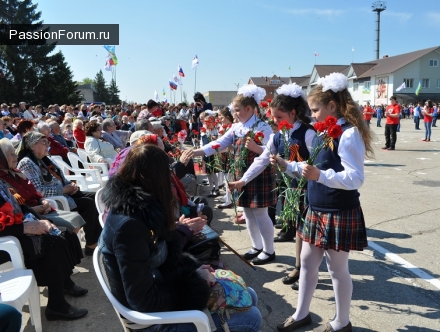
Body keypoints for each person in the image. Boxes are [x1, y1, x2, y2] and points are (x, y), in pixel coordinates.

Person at [99, 144, 262, 332]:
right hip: (150, 320)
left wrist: (194, 270)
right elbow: (142, 300)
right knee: (252, 317)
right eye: (167, 172)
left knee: (248, 294)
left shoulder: (138, 210)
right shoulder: (130, 226)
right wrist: (196, 283)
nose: (171, 179)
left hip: (159, 291)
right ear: (157, 178)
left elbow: (156, 257)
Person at [271, 72, 372, 332]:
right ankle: (301, 313)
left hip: (338, 209)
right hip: (316, 207)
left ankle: (342, 321)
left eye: (315, 109)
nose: (312, 115)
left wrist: (321, 176)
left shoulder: (348, 134)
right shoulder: (322, 131)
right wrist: (288, 165)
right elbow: (313, 166)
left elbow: (355, 178)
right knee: (306, 261)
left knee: (337, 269)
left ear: (333, 106)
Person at [192, 85, 277, 265]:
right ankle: (256, 246)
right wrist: (196, 152)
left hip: (258, 173)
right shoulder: (236, 127)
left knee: (260, 213)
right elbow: (219, 144)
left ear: (249, 109)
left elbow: (271, 152)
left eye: (237, 110)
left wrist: (258, 148)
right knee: (247, 212)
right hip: (242, 173)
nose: (235, 113)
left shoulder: (263, 127)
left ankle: (269, 250)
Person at [246, 83, 315, 286]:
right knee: (299, 230)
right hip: (293, 188)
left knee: (308, 232)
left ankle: (309, 271)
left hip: (309, 189)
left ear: (293, 113)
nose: (274, 121)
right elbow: (263, 159)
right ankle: (298, 267)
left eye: (279, 117)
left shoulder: (308, 133)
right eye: (273, 117)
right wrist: (243, 180)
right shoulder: (277, 136)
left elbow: (315, 163)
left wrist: (288, 165)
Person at [0, 181, 88, 321]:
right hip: (6, 241)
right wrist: (23, 228)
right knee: (53, 243)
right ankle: (56, 305)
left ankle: (65, 282)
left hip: (16, 229)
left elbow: (22, 207)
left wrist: (43, 220)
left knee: (65, 233)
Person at [16, 132, 101, 255]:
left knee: (95, 197)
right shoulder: (27, 163)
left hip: (66, 194)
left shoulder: (45, 159)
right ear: (32, 145)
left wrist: (71, 185)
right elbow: (38, 190)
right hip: (55, 199)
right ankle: (91, 244)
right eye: (44, 142)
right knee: (88, 204)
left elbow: (61, 178)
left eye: (48, 142)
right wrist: (63, 190)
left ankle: (95, 237)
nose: (47, 146)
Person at [0, 138, 86, 233]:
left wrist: (43, 200)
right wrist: (35, 209)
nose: (16, 156)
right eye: (11, 154)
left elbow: (35, 192)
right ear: (2, 158)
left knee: (76, 219)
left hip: (42, 208)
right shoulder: (2, 179)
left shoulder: (16, 172)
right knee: (68, 229)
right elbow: (15, 208)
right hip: (29, 216)